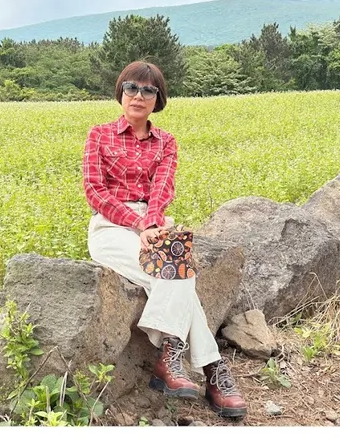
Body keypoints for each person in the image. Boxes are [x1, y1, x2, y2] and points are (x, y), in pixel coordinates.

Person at [83, 60, 247, 419]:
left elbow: (162, 188)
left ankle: (170, 359)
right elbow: (95, 191)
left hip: (154, 223)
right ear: (120, 92)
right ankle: (212, 371)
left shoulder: (166, 142)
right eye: (131, 87)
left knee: (177, 266)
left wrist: (152, 223)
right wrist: (137, 225)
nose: (138, 96)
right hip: (111, 227)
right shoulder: (100, 135)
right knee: (179, 270)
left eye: (148, 90)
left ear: (158, 99)